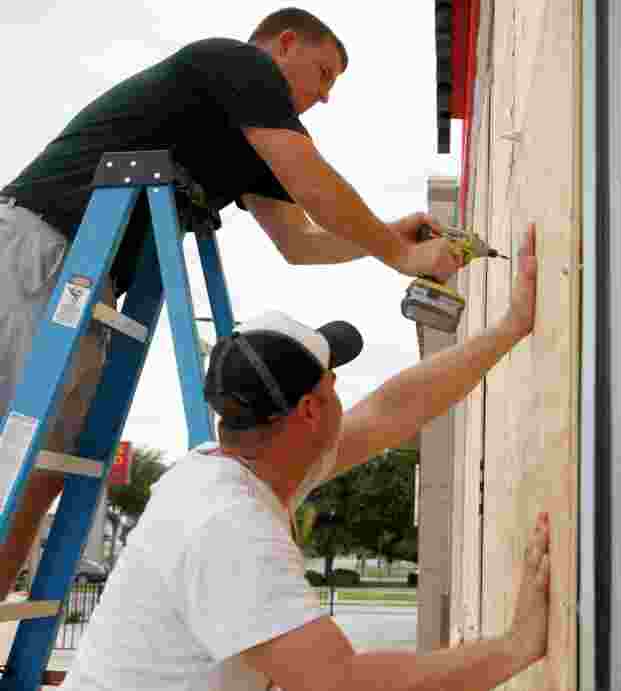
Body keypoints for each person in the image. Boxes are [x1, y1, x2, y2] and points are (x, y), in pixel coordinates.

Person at [0, 8, 461, 597]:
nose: (323, 97)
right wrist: (403, 258)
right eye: (323, 74)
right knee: (15, 452)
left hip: (88, 283)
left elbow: (301, 242)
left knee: (49, 468)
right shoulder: (234, 62)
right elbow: (314, 181)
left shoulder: (245, 144)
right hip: (39, 248)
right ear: (285, 44)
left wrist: (390, 237)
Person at [63, 226, 547, 691]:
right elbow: (342, 684)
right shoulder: (228, 526)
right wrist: (516, 647)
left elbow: (394, 409)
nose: (344, 398)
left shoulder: (226, 468)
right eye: (332, 382)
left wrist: (510, 328)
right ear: (312, 410)